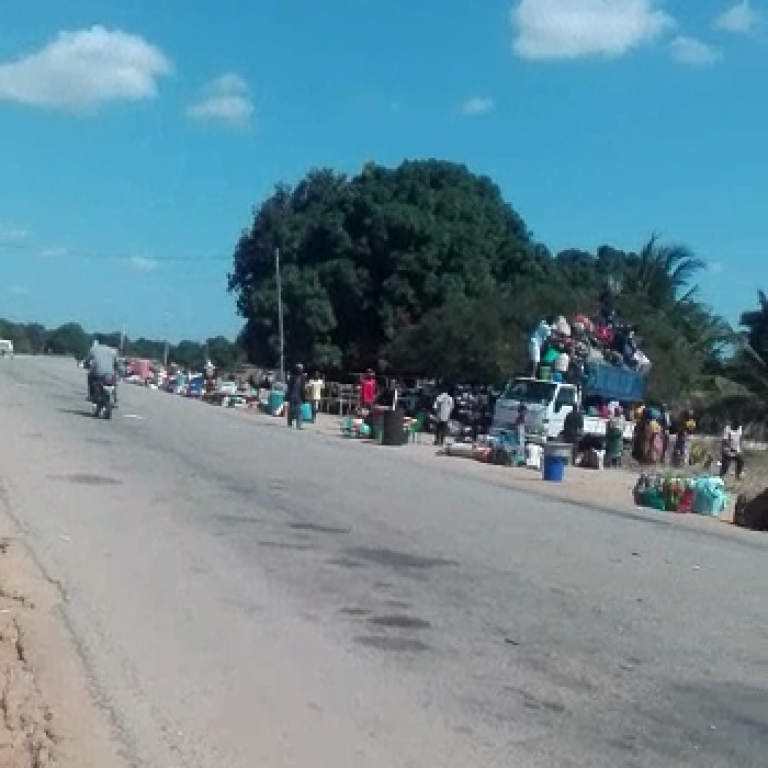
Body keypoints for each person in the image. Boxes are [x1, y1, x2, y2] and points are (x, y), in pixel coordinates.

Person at [84, 338, 118, 404]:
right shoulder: (112, 351)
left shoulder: (94, 349)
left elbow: (87, 360)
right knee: (113, 382)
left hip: (98, 372)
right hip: (110, 373)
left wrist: (86, 365)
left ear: (99, 342)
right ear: (107, 343)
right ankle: (114, 398)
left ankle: (91, 395)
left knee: (90, 377)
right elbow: (116, 363)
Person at [286, 364, 307, 429]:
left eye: (300, 368)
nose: (300, 370)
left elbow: (303, 388)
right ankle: (290, 422)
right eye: (299, 368)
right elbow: (289, 387)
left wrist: (303, 397)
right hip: (293, 396)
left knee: (299, 411)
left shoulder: (302, 378)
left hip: (298, 396)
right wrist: (287, 396)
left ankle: (298, 425)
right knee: (291, 410)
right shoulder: (292, 377)